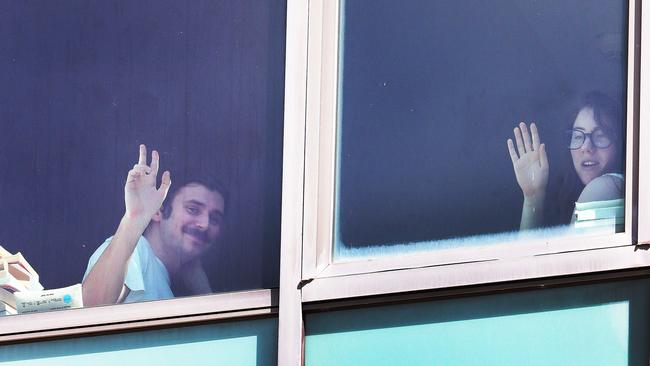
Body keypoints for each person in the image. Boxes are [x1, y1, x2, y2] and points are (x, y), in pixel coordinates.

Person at [82, 144, 227, 306]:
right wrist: (134, 219)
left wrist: (201, 287)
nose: (205, 224)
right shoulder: (136, 251)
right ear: (158, 211)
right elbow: (92, 306)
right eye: (193, 209)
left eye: (214, 219)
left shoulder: (169, 284)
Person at [506, 92, 624, 230]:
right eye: (578, 136)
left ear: (620, 142)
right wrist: (532, 198)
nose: (586, 147)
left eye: (600, 135)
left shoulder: (605, 187)